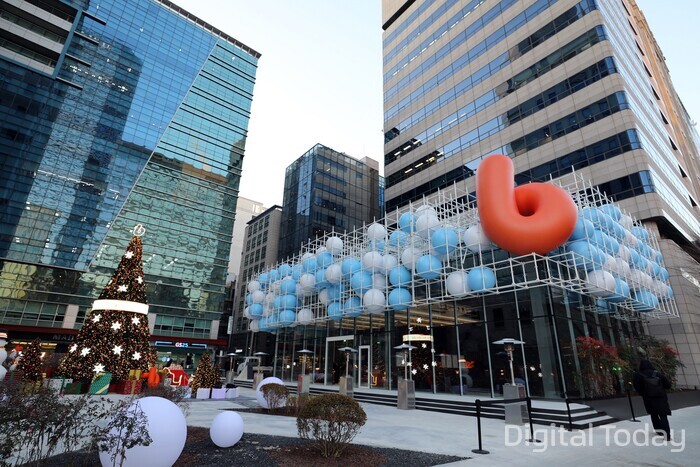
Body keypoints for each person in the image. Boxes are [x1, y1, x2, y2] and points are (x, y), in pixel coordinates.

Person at [632, 359, 672, 439]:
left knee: (654, 414)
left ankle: (659, 431)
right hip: (661, 398)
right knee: (663, 415)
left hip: (648, 398)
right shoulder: (658, 374)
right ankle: (667, 434)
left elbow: (637, 387)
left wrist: (643, 393)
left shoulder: (638, 375)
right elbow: (668, 385)